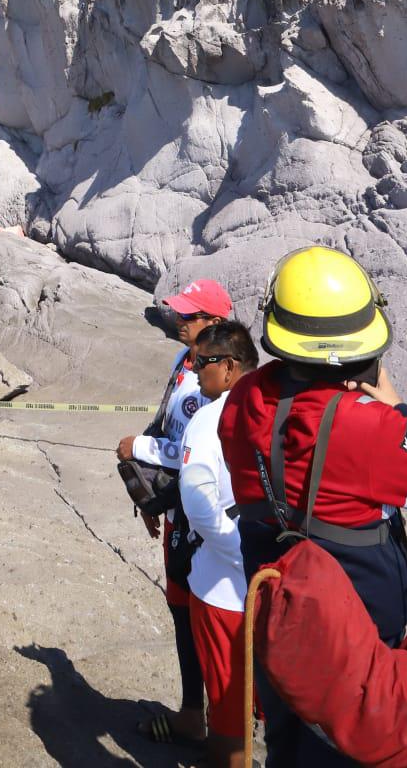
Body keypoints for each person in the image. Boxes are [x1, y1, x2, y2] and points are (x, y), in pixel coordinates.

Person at [219, 245, 407, 768]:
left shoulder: (241, 400)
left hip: (280, 624)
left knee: (289, 745)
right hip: (358, 645)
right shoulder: (371, 427)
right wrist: (399, 411)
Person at [117, 277, 234, 749]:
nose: (180, 322)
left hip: (201, 517)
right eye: (180, 314)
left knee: (208, 615)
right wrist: (145, 493)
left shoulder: (217, 381)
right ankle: (193, 712)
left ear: (216, 323)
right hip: (177, 513)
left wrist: (137, 447)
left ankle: (226, 726)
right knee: (181, 610)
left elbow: (192, 449)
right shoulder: (184, 361)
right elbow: (167, 421)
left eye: (190, 315)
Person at [179, 320, 260, 768]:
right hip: (275, 582)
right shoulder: (280, 405)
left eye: (201, 362)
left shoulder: (210, 417)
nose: (194, 371)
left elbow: (197, 499)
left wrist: (240, 553)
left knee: (228, 715)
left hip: (223, 592)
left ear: (228, 367)